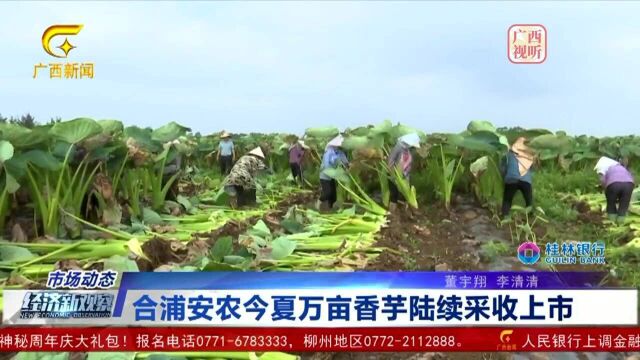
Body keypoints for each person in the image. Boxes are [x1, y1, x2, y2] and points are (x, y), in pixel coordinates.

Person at [500, 137, 535, 217]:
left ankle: (505, 216)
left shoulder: (508, 155)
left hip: (511, 179)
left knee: (507, 200)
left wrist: (504, 178)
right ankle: (530, 217)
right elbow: (531, 170)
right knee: (529, 200)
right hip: (526, 181)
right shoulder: (529, 157)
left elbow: (502, 168)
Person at [595, 156, 635, 224]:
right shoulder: (622, 168)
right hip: (629, 184)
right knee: (623, 205)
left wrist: (606, 190)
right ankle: (620, 222)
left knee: (611, 203)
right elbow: (631, 178)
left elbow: (603, 181)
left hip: (614, 184)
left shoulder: (607, 169)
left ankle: (612, 222)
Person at [387, 133, 420, 211]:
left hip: (404, 175)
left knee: (405, 193)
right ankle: (392, 213)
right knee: (394, 194)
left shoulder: (407, 149)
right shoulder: (398, 147)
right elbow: (390, 161)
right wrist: (393, 175)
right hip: (395, 175)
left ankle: (408, 211)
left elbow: (407, 162)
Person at [319, 135, 349, 211]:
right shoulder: (328, 152)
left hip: (334, 176)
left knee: (333, 195)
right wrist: (336, 170)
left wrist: (348, 167)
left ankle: (330, 208)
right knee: (328, 193)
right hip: (325, 175)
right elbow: (326, 165)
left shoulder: (340, 152)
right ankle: (319, 201)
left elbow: (345, 162)